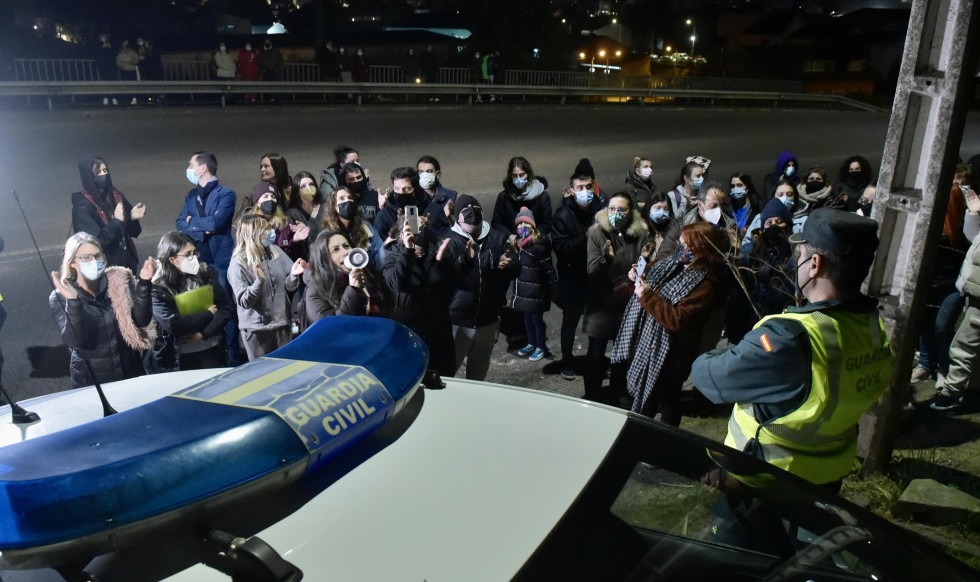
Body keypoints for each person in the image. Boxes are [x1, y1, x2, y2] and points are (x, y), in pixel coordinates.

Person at [691, 208, 892, 489]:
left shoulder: (790, 338)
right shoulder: (870, 327)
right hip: (827, 477)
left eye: (800, 256)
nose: (796, 262)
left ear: (815, 265)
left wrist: (715, 351)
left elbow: (710, 376)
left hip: (766, 479)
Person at [611, 222, 725, 425]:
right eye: (681, 244)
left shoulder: (704, 285)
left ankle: (653, 437)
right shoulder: (671, 262)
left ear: (702, 250)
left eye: (689, 247)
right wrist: (637, 274)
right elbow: (650, 277)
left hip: (673, 353)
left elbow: (677, 319)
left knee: (664, 398)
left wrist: (647, 296)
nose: (682, 250)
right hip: (650, 344)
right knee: (658, 398)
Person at [49, 232, 157, 388]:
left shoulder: (118, 282)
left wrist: (144, 285)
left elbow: (141, 321)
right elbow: (76, 341)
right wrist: (73, 302)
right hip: (93, 382)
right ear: (72, 262)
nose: (94, 261)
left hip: (130, 372)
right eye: (86, 257)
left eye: (97, 256)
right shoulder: (61, 296)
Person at [583, 192, 649, 404]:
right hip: (601, 304)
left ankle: (619, 393)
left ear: (630, 212)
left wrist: (642, 265)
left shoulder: (639, 235)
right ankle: (592, 395)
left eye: (621, 209)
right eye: (612, 208)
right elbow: (592, 271)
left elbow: (642, 264)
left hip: (626, 304)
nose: (615, 213)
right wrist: (607, 260)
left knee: (623, 353)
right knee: (596, 354)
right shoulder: (598, 234)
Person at [918, 184, 980, 411]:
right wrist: (974, 212)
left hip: (976, 298)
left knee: (962, 347)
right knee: (973, 348)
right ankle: (973, 391)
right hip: (972, 295)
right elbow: (975, 237)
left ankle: (950, 395)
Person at [445, 195, 521, 380]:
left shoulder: (497, 237)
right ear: (457, 217)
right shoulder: (449, 240)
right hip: (457, 321)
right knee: (448, 373)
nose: (471, 210)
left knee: (478, 375)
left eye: (474, 206)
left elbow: (515, 268)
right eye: (465, 207)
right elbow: (444, 275)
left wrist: (509, 265)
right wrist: (464, 261)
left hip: (487, 321)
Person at [175, 151, 239, 365]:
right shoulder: (191, 196)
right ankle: (211, 347)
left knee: (225, 306)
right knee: (202, 305)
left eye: (191, 164)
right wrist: (202, 230)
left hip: (219, 261)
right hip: (198, 261)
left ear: (203, 168)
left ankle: (232, 353)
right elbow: (180, 223)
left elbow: (215, 223)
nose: (189, 168)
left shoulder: (226, 194)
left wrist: (194, 222)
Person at [912, 164, 971, 385]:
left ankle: (944, 369)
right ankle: (927, 365)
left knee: (942, 326)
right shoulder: (929, 228)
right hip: (931, 285)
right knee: (926, 324)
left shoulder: (964, 227)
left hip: (953, 286)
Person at [147, 231, 234, 372]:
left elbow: (226, 307)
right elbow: (173, 324)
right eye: (187, 255)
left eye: (194, 253)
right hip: (179, 357)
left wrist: (203, 334)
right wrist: (207, 313)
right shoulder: (159, 288)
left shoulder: (205, 273)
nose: (193, 258)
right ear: (172, 260)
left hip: (210, 348)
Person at [381, 216, 456, 376]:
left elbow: (452, 285)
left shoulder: (437, 252)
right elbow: (397, 283)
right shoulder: (394, 254)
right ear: (402, 233)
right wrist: (408, 251)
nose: (419, 230)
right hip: (409, 331)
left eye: (423, 227)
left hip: (438, 330)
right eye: (413, 226)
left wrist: (444, 263)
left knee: (443, 374)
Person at [227, 215, 304, 360]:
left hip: (281, 324)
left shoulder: (275, 251)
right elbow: (244, 301)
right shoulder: (238, 264)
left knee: (285, 371)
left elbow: (288, 287)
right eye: (266, 229)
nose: (271, 232)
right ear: (253, 234)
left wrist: (293, 275)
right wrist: (259, 281)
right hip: (257, 330)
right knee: (263, 375)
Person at [552, 169, 604, 380]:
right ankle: (567, 360)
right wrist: (586, 236)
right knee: (570, 322)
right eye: (580, 188)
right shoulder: (563, 216)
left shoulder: (600, 209)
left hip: (595, 278)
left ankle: (594, 360)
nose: (585, 192)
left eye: (588, 187)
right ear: (572, 191)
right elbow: (561, 249)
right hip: (572, 280)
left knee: (595, 320)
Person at [726, 198, 797, 344]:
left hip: (782, 331)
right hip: (750, 330)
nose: (774, 226)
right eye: (769, 223)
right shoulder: (752, 254)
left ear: (788, 225)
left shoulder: (795, 257)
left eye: (779, 221)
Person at [72, 155, 146, 273]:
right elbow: (97, 243)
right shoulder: (83, 208)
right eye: (98, 172)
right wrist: (116, 222)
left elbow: (135, 232)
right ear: (89, 177)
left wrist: (131, 218)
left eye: (105, 170)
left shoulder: (115, 196)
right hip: (105, 270)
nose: (103, 175)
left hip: (127, 265)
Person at [301, 230, 390, 328]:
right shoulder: (316, 289)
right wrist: (353, 291)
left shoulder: (367, 273)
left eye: (346, 246)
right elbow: (331, 327)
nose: (345, 252)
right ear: (324, 259)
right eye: (335, 249)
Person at [511, 207, 558, 363]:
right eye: (520, 223)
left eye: (527, 223)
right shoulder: (520, 244)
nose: (523, 226)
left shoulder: (538, 246)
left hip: (537, 292)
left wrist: (554, 290)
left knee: (536, 320)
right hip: (525, 291)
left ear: (533, 226)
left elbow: (548, 269)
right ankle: (531, 343)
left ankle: (540, 346)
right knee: (527, 319)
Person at [320, 186, 385, 266]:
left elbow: (379, 251)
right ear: (334, 206)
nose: (347, 200)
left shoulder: (366, 227)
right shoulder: (326, 235)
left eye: (350, 198)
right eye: (342, 198)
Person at [492, 156, 553, 236]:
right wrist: (510, 236)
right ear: (510, 176)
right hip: (511, 243)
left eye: (521, 175)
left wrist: (531, 236)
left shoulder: (542, 197)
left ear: (528, 174)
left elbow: (547, 224)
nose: (518, 179)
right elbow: (496, 223)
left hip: (534, 241)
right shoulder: (504, 197)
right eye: (515, 175)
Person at [250, 183, 310, 262]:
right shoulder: (251, 226)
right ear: (257, 203)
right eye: (265, 196)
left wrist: (296, 241)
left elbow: (299, 256)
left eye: (273, 197)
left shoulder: (286, 224)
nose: (270, 199)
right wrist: (289, 242)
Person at [374, 167, 428, 240]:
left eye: (406, 189)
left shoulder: (432, 209)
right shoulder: (383, 216)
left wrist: (427, 230)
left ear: (415, 189)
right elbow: (381, 248)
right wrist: (398, 229)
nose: (401, 192)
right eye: (397, 188)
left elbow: (443, 242)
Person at [417, 155, 458, 238]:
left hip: (443, 239)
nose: (424, 175)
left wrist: (448, 217)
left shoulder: (450, 196)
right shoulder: (415, 197)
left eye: (429, 171)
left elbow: (457, 230)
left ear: (437, 174)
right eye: (421, 172)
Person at [287, 171, 327, 242]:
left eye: (311, 184)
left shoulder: (326, 208)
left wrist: (307, 230)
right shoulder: (292, 214)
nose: (308, 188)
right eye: (303, 186)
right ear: (297, 192)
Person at [643, 191, 682, 262]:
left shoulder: (673, 230)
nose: (662, 212)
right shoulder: (642, 229)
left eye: (666, 209)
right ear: (649, 208)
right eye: (658, 208)